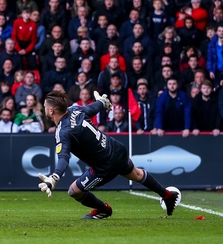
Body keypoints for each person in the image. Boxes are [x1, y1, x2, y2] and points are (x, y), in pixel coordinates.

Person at [36, 89, 179, 219]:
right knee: (136, 174)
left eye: (45, 107)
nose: (44, 109)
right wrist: (102, 102)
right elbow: (93, 108)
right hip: (117, 148)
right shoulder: (75, 110)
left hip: (105, 165)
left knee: (74, 191)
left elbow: (63, 157)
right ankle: (167, 195)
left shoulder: (63, 131)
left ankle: (103, 209)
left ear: (51, 111)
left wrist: (54, 177)